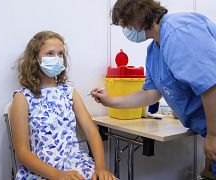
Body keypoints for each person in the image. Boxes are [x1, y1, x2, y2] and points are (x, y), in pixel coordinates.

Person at [91, 0, 216, 176]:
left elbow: (211, 85)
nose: (126, 31)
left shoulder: (179, 32)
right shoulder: (154, 50)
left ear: (139, 15)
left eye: (124, 25)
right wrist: (110, 100)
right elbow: (150, 93)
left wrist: (213, 136)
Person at [11, 31, 116, 180]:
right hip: (41, 169)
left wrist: (101, 167)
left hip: (76, 163)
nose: (57, 58)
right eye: (50, 53)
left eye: (60, 54)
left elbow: (92, 132)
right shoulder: (22, 97)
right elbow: (22, 151)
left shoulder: (70, 93)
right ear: (35, 59)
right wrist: (57, 175)